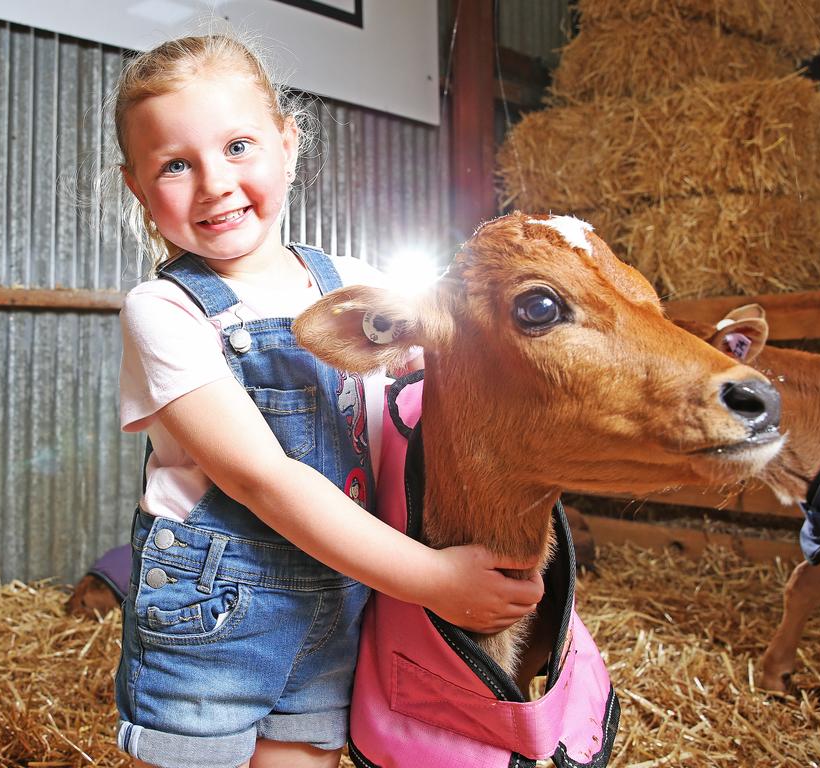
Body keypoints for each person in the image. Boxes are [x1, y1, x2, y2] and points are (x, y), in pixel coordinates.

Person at [110, 32, 545, 768]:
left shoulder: (354, 284)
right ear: (139, 189)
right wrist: (434, 580)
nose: (214, 183)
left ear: (288, 144)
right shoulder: (164, 309)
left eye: (239, 146)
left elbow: (443, 387)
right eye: (177, 165)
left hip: (342, 597)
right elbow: (262, 478)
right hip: (214, 616)